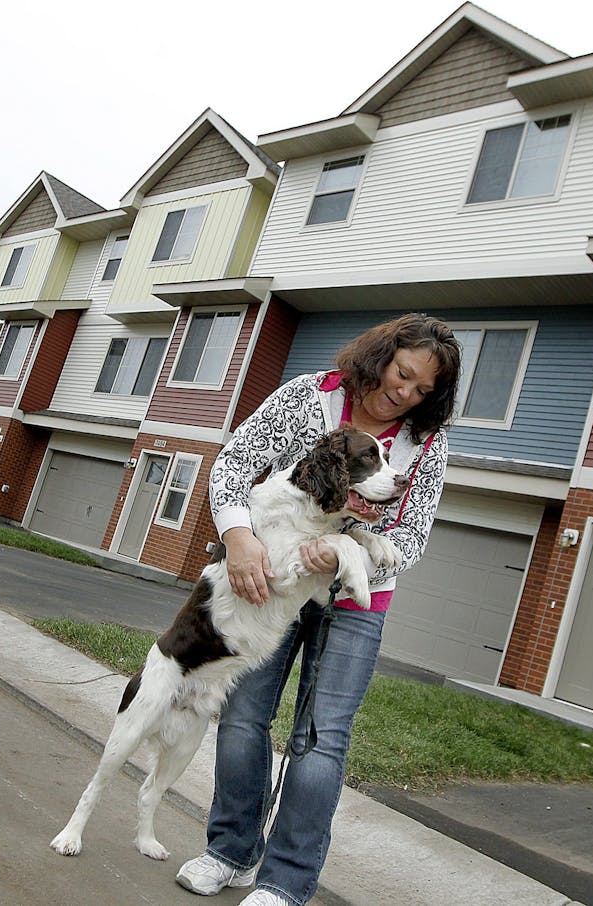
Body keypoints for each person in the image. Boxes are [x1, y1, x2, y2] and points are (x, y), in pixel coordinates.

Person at [176, 313, 463, 906]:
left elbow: (409, 541)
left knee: (319, 739)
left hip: (357, 598)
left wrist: (344, 560)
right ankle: (230, 852)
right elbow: (233, 465)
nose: (404, 393)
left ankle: (286, 882)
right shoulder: (310, 396)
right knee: (242, 718)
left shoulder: (425, 445)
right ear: (379, 356)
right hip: (273, 582)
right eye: (401, 373)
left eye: (422, 389)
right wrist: (237, 537)